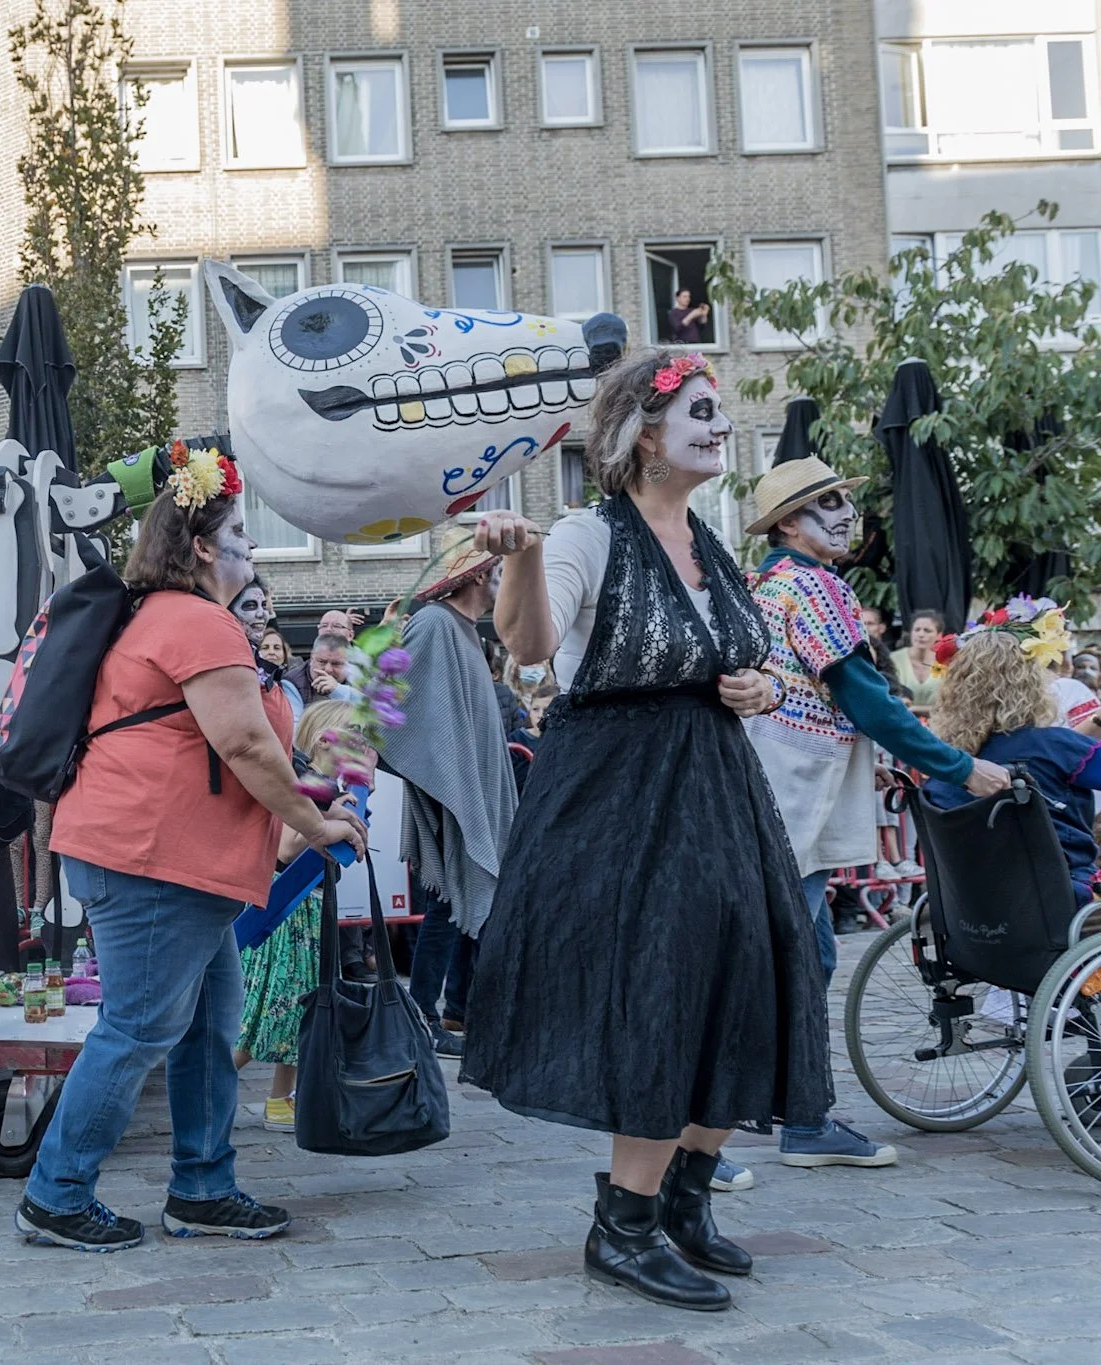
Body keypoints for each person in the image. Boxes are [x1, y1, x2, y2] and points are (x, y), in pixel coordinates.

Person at [466, 349, 834, 1311]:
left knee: (756, 974)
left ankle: (684, 1197)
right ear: (642, 434)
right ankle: (621, 1227)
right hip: (627, 798)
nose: (719, 426)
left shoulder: (704, 536)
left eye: (719, 411)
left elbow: (728, 659)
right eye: (701, 411)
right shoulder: (591, 531)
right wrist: (524, 553)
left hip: (717, 792)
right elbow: (532, 646)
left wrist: (750, 685)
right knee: (665, 988)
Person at [14, 448, 365, 1253]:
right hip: (151, 860)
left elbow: (238, 744)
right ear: (203, 546)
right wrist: (313, 826)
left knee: (207, 1026)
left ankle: (202, 1186)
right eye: (240, 531)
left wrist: (310, 799)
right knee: (137, 1028)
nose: (252, 546)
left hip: (172, 861)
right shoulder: (196, 618)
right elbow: (242, 742)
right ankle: (55, 1194)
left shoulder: (165, 618)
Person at [743, 457, 1009, 1177]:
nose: (842, 513)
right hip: (791, 787)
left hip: (769, 781)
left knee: (796, 952)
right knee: (803, 957)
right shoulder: (815, 584)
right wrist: (958, 764)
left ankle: (773, 1100)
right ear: (789, 522)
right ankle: (799, 1118)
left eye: (841, 501)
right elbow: (865, 697)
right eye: (825, 502)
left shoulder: (766, 583)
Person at [376, 526, 519, 1060]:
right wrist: (451, 779)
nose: (506, 583)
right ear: (481, 576)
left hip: (471, 789)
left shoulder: (468, 633)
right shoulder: (435, 624)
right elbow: (399, 710)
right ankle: (424, 1014)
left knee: (463, 904)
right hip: (449, 794)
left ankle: (458, 1011)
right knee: (444, 905)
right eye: (500, 573)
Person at [234, 700, 366, 1132]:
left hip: (301, 907)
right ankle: (209, 1087)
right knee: (267, 1012)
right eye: (353, 736)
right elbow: (287, 847)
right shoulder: (311, 780)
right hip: (287, 909)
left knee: (293, 1010)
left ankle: (278, 1101)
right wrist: (331, 821)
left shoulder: (320, 780)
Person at [924, 620, 1099, 907]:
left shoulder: (946, 764)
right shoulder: (1056, 747)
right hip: (1060, 897)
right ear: (1031, 684)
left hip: (973, 907)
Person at [231, 576, 303, 723]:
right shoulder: (230, 662)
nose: (261, 614)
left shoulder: (267, 669)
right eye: (250, 606)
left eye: (264, 606)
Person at [889, 610, 945, 712]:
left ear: (939, 635)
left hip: (938, 723)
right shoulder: (893, 659)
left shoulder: (944, 662)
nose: (921, 634)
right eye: (917, 629)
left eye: (927, 630)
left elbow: (950, 704)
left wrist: (915, 709)